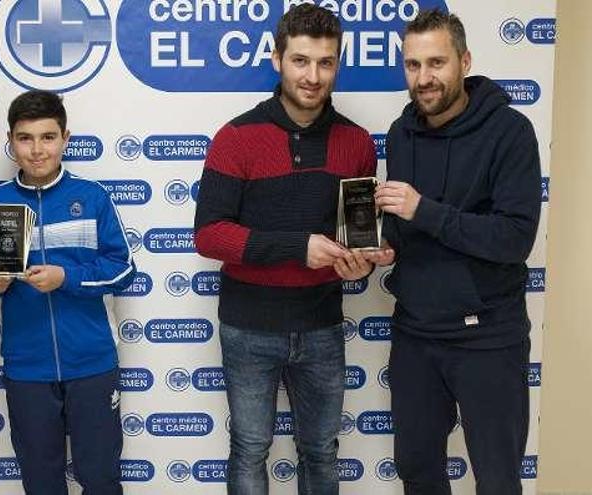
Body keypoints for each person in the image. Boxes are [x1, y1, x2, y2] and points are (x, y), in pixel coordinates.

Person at [193, 4, 377, 494]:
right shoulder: (235, 138)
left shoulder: (357, 142)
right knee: (250, 449)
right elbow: (209, 234)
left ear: (337, 64)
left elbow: (356, 236)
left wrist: (358, 262)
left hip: (322, 325)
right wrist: (298, 247)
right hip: (249, 327)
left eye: (325, 62)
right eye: (300, 61)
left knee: (321, 451)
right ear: (276, 59)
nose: (313, 76)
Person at [369, 9, 542, 495]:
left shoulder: (510, 132)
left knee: (497, 479)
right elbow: (407, 230)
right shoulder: (402, 133)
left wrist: (424, 210)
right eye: (412, 65)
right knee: (417, 472)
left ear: (464, 61)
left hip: (488, 338)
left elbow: (514, 238)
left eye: (436, 63)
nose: (424, 78)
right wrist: (387, 249)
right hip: (416, 334)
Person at [0, 90, 135, 495]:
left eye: (48, 137)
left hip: (91, 363)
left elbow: (124, 269)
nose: (37, 150)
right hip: (27, 367)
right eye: (25, 138)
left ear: (66, 138)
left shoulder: (91, 197)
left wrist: (67, 278)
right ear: (10, 142)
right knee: (40, 482)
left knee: (99, 478)